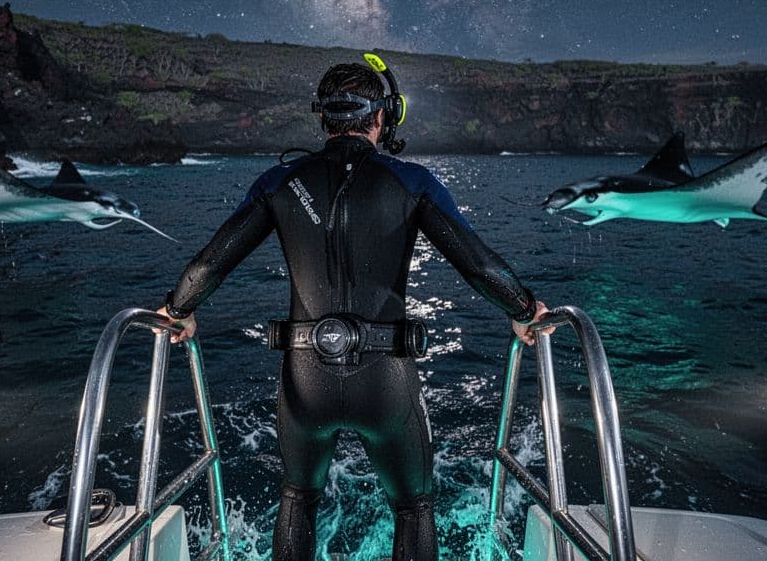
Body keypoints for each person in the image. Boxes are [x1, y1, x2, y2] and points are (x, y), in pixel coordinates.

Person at [158, 59, 550, 561]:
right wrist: (522, 307)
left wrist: (178, 309)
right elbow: (476, 265)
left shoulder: (279, 182)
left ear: (323, 120)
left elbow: (210, 264)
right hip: (385, 378)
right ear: (387, 117)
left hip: (305, 377)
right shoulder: (413, 181)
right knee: (413, 507)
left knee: (298, 500)